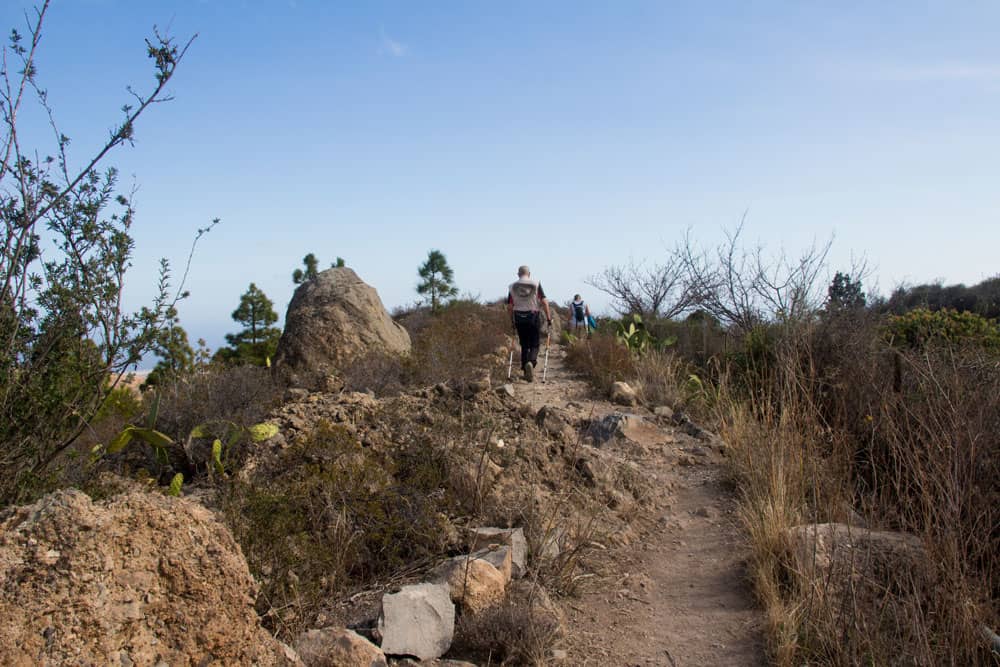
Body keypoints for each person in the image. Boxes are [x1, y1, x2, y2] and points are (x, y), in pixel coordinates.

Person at [507, 265, 551, 382]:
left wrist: (512, 321)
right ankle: (531, 362)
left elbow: (510, 306)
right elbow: (545, 302)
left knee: (524, 344)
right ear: (529, 274)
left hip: (519, 317)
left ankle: (526, 370)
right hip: (533, 316)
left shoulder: (512, 287)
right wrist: (549, 318)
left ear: (518, 274)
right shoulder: (536, 284)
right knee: (535, 343)